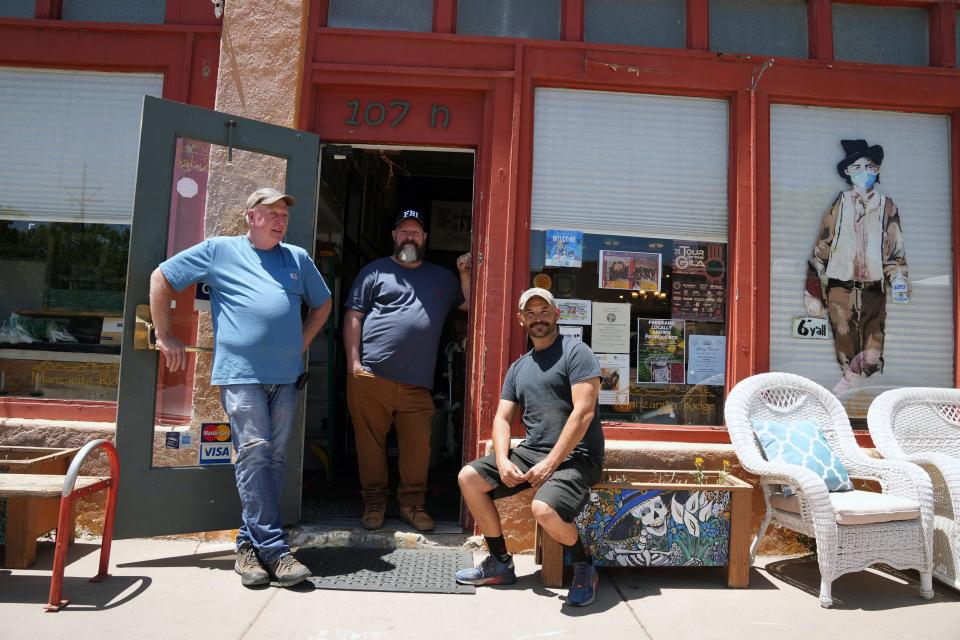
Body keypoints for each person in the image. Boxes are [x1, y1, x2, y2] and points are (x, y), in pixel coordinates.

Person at [150, 187, 332, 588]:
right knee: (255, 454)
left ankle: (248, 547)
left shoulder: (297, 259)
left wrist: (300, 343)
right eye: (272, 213)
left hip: (284, 376)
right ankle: (276, 551)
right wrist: (165, 334)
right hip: (240, 375)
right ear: (251, 216)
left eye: (284, 215)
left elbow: (323, 303)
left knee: (276, 461)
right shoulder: (219, 250)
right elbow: (162, 276)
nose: (281, 221)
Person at [455, 287, 604, 607]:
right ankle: (499, 562)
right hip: (534, 452)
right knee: (469, 477)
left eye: (544, 311)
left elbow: (584, 412)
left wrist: (551, 463)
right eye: (531, 313)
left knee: (544, 510)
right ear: (521, 320)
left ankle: (584, 564)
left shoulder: (577, 353)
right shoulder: (519, 367)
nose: (538, 318)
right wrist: (503, 459)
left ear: (557, 315)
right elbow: (502, 419)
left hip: (578, 457)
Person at [344, 209, 471, 531]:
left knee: (418, 449)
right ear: (394, 236)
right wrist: (353, 363)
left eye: (415, 231)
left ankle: (412, 504)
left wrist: (465, 274)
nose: (409, 236)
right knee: (369, 446)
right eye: (404, 231)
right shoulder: (375, 272)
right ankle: (374, 501)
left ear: (425, 238)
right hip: (371, 376)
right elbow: (354, 315)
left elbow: (471, 305)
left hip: (418, 384)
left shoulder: (442, 278)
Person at [802, 139, 908, 394]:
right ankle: (851, 383)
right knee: (844, 334)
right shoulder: (840, 204)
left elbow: (895, 250)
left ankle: (862, 383)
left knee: (874, 341)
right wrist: (813, 292)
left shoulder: (887, 206)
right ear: (848, 172)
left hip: (874, 285)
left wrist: (899, 277)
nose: (865, 173)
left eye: (870, 167)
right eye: (858, 167)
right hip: (840, 285)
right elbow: (822, 248)